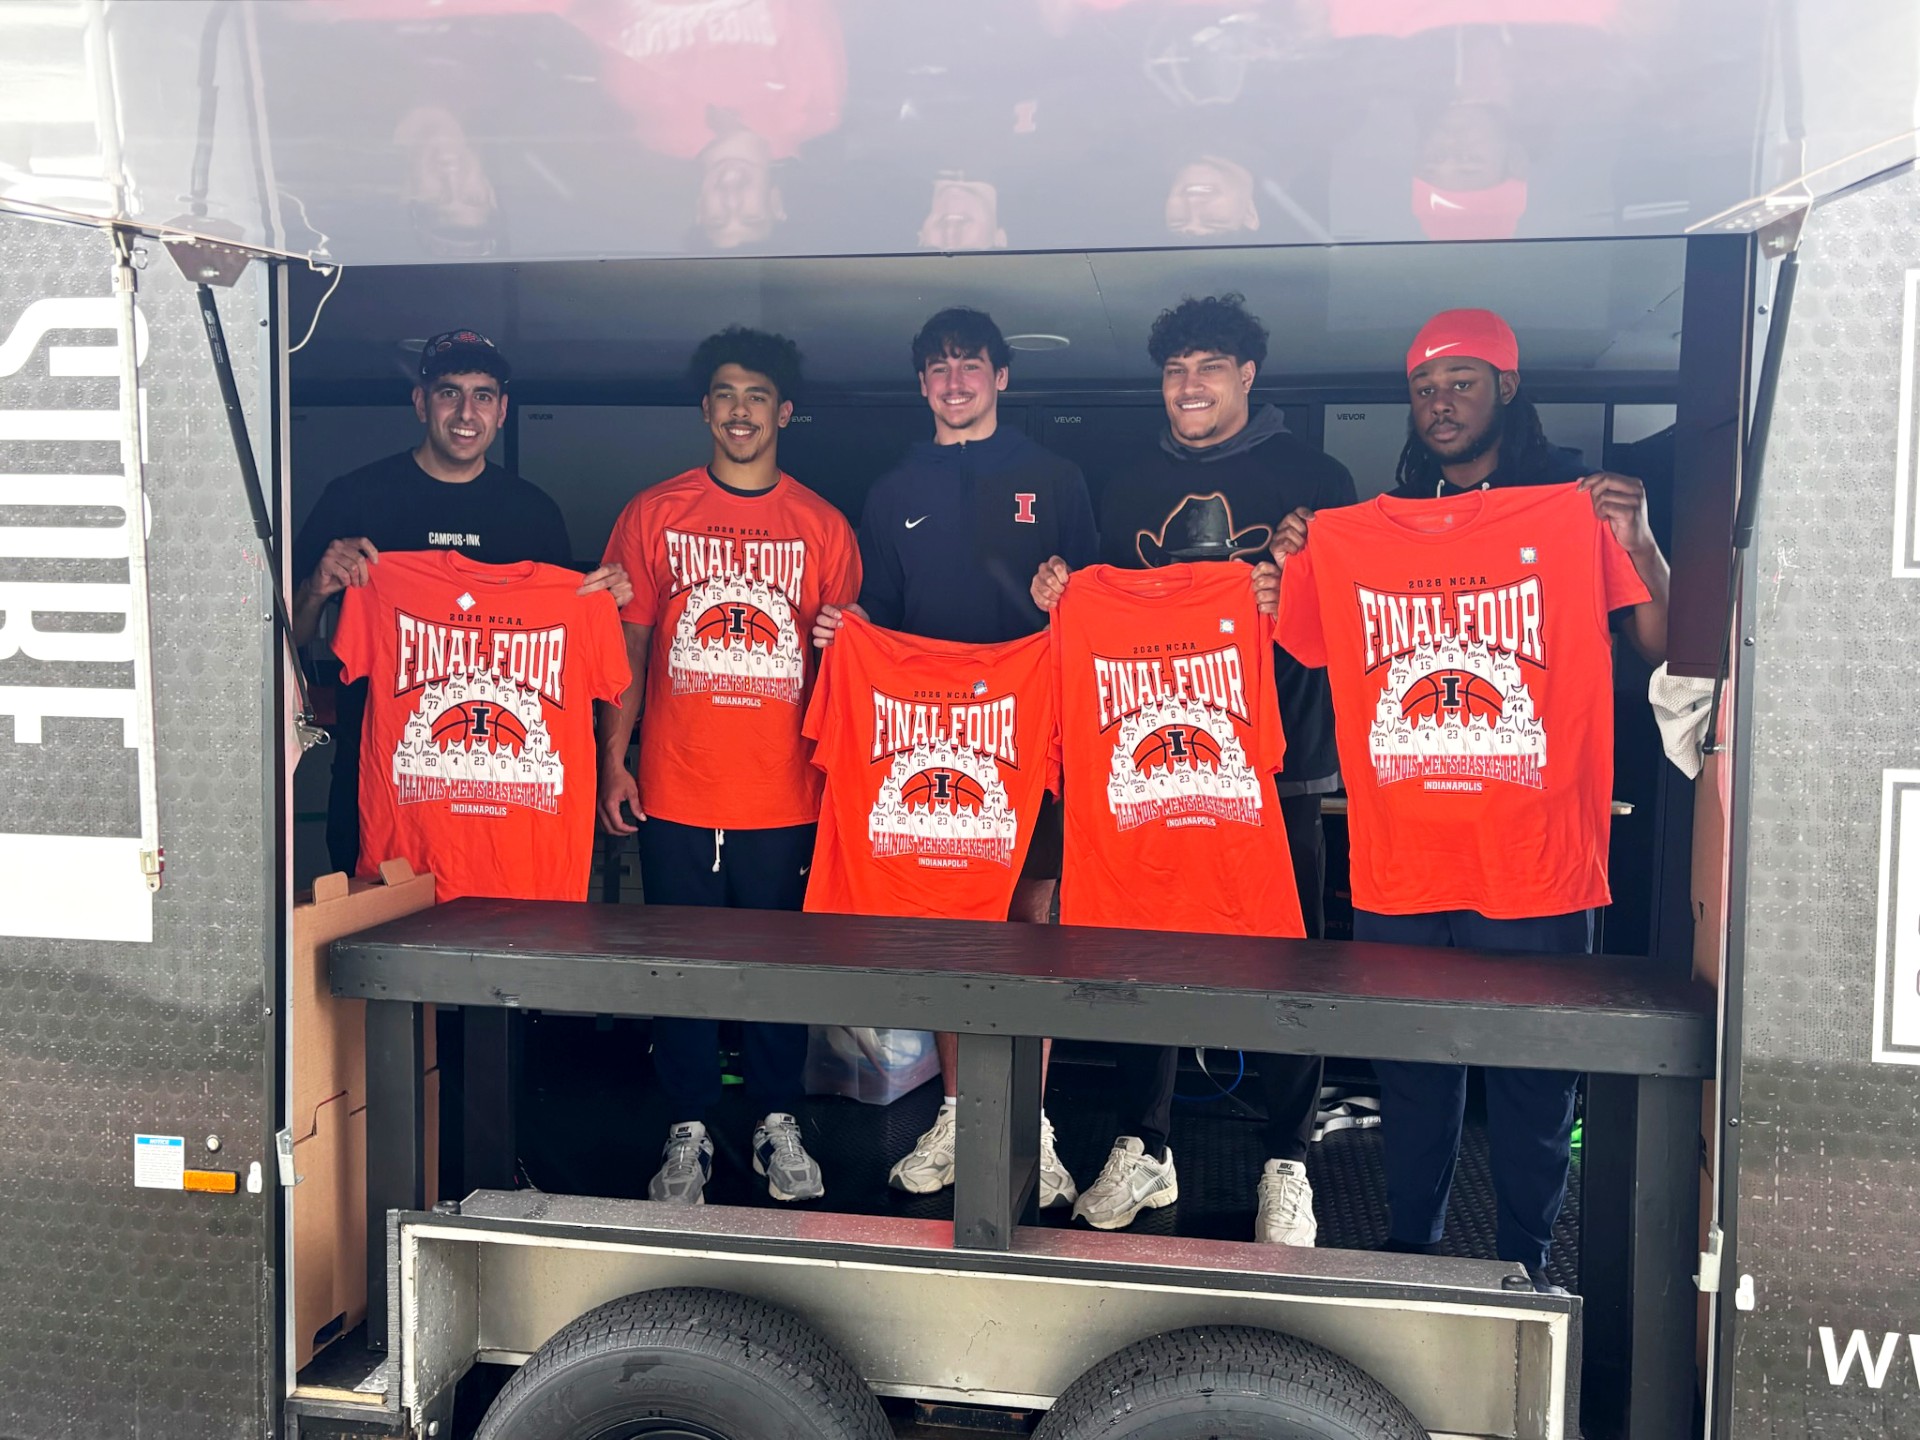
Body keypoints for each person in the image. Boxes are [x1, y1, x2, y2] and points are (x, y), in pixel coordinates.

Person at [1271, 306, 1670, 1292]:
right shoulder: (1364, 529)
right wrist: (1293, 569)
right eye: (1423, 387)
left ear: (1506, 388)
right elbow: (1306, 646)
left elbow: (1663, 648)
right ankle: (1414, 1256)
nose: (1438, 402)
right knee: (1411, 1070)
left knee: (1537, 1080)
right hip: (1403, 856)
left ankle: (1528, 1267)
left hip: (1535, 860)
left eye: (1460, 381)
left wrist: (1644, 540)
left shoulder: (1571, 511)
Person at [1029, 293, 1351, 1244]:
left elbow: (1355, 621)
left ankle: (1288, 1160)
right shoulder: (1125, 483)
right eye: (1175, 371)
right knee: (1144, 957)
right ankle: (1146, 1146)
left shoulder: (1315, 477)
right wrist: (1060, 591)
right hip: (1150, 766)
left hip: (1279, 767)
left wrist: (1298, 587)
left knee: (1291, 967)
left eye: (1209, 367)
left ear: (1249, 375)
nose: (1190, 386)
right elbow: (1093, 608)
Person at [812, 306, 1098, 1209]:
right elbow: (881, 620)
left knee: (1036, 919)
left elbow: (1096, 610)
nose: (954, 380)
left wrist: (1071, 594)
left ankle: (1033, 1123)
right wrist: (852, 633)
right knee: (944, 922)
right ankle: (959, 1108)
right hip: (931, 740)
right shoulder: (894, 489)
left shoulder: (1054, 478)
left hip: (1035, 739)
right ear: (922, 385)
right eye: (936, 368)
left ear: (1001, 377)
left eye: (970, 365)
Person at [599, 327, 861, 1206]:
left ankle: (776, 1117)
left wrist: (846, 784)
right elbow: (627, 652)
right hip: (676, 786)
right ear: (705, 408)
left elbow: (849, 675)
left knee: (780, 966)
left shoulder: (823, 526)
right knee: (682, 962)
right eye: (724, 394)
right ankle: (690, 1126)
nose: (740, 410)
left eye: (757, 396)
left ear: (783, 411)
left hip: (787, 793)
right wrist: (614, 760)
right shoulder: (653, 514)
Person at [291, 328, 631, 875]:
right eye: (449, 392)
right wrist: (315, 589)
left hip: (505, 802)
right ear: (421, 402)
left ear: (502, 411)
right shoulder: (356, 497)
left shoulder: (532, 513)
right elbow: (292, 636)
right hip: (381, 785)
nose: (465, 412)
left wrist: (602, 600)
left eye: (483, 395)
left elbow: (565, 649)